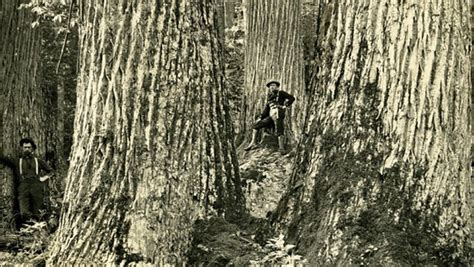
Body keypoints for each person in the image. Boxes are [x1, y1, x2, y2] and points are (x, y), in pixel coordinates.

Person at [0, 138, 53, 223]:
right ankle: (30, 225)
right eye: (25, 147)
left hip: (36, 186)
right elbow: (4, 159)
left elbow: (51, 171)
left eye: (29, 147)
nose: (27, 149)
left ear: (32, 148)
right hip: (23, 186)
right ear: (22, 148)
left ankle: (36, 230)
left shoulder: (37, 160)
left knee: (38, 211)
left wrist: (44, 178)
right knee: (24, 212)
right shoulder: (18, 161)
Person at [245, 80, 295, 153]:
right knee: (256, 126)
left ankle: (281, 148)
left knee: (279, 130)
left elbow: (292, 98)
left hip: (278, 115)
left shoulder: (281, 93)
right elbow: (266, 109)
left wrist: (285, 105)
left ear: (277, 87)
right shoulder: (270, 97)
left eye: (273, 85)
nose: (272, 87)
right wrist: (260, 118)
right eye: (270, 86)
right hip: (271, 116)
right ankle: (253, 143)